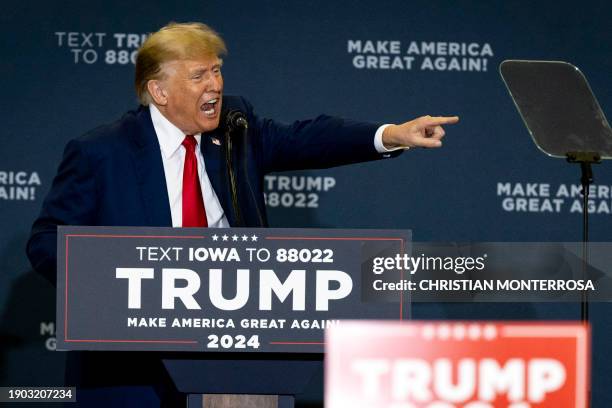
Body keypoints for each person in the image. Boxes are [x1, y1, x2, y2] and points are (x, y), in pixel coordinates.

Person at [26, 22, 458, 407]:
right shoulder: (102, 152)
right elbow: (47, 240)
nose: (214, 85)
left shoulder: (236, 128)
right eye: (198, 76)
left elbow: (307, 139)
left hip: (235, 362)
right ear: (159, 91)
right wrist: (116, 285)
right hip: (133, 371)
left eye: (216, 70)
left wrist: (391, 135)